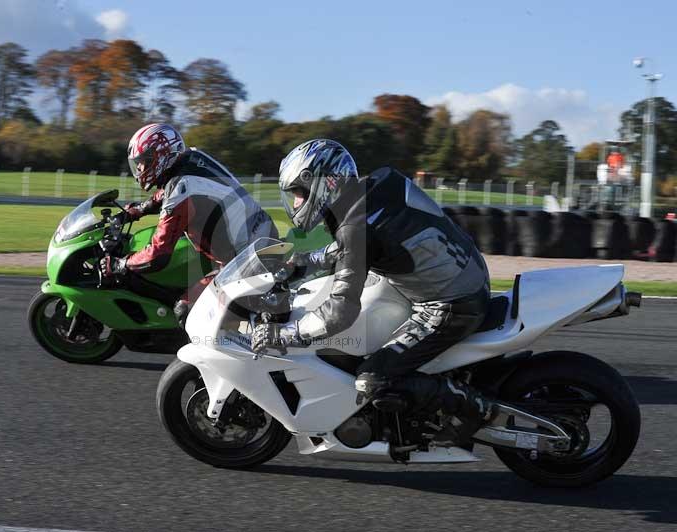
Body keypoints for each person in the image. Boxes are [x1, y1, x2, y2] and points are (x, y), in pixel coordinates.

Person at [251, 138, 495, 444]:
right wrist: (302, 262)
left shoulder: (356, 224)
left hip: (449, 303)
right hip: (453, 275)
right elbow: (352, 249)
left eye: (300, 193)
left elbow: (340, 313)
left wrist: (284, 334)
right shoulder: (369, 194)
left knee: (372, 379)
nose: (296, 204)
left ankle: (472, 407)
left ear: (326, 182)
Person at [101, 123, 278, 325]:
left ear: (162, 156)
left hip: (247, 259)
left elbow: (158, 255)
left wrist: (120, 264)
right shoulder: (192, 158)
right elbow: (169, 192)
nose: (140, 169)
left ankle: (242, 339)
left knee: (188, 310)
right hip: (260, 236)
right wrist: (139, 210)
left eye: (144, 162)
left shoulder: (180, 189)